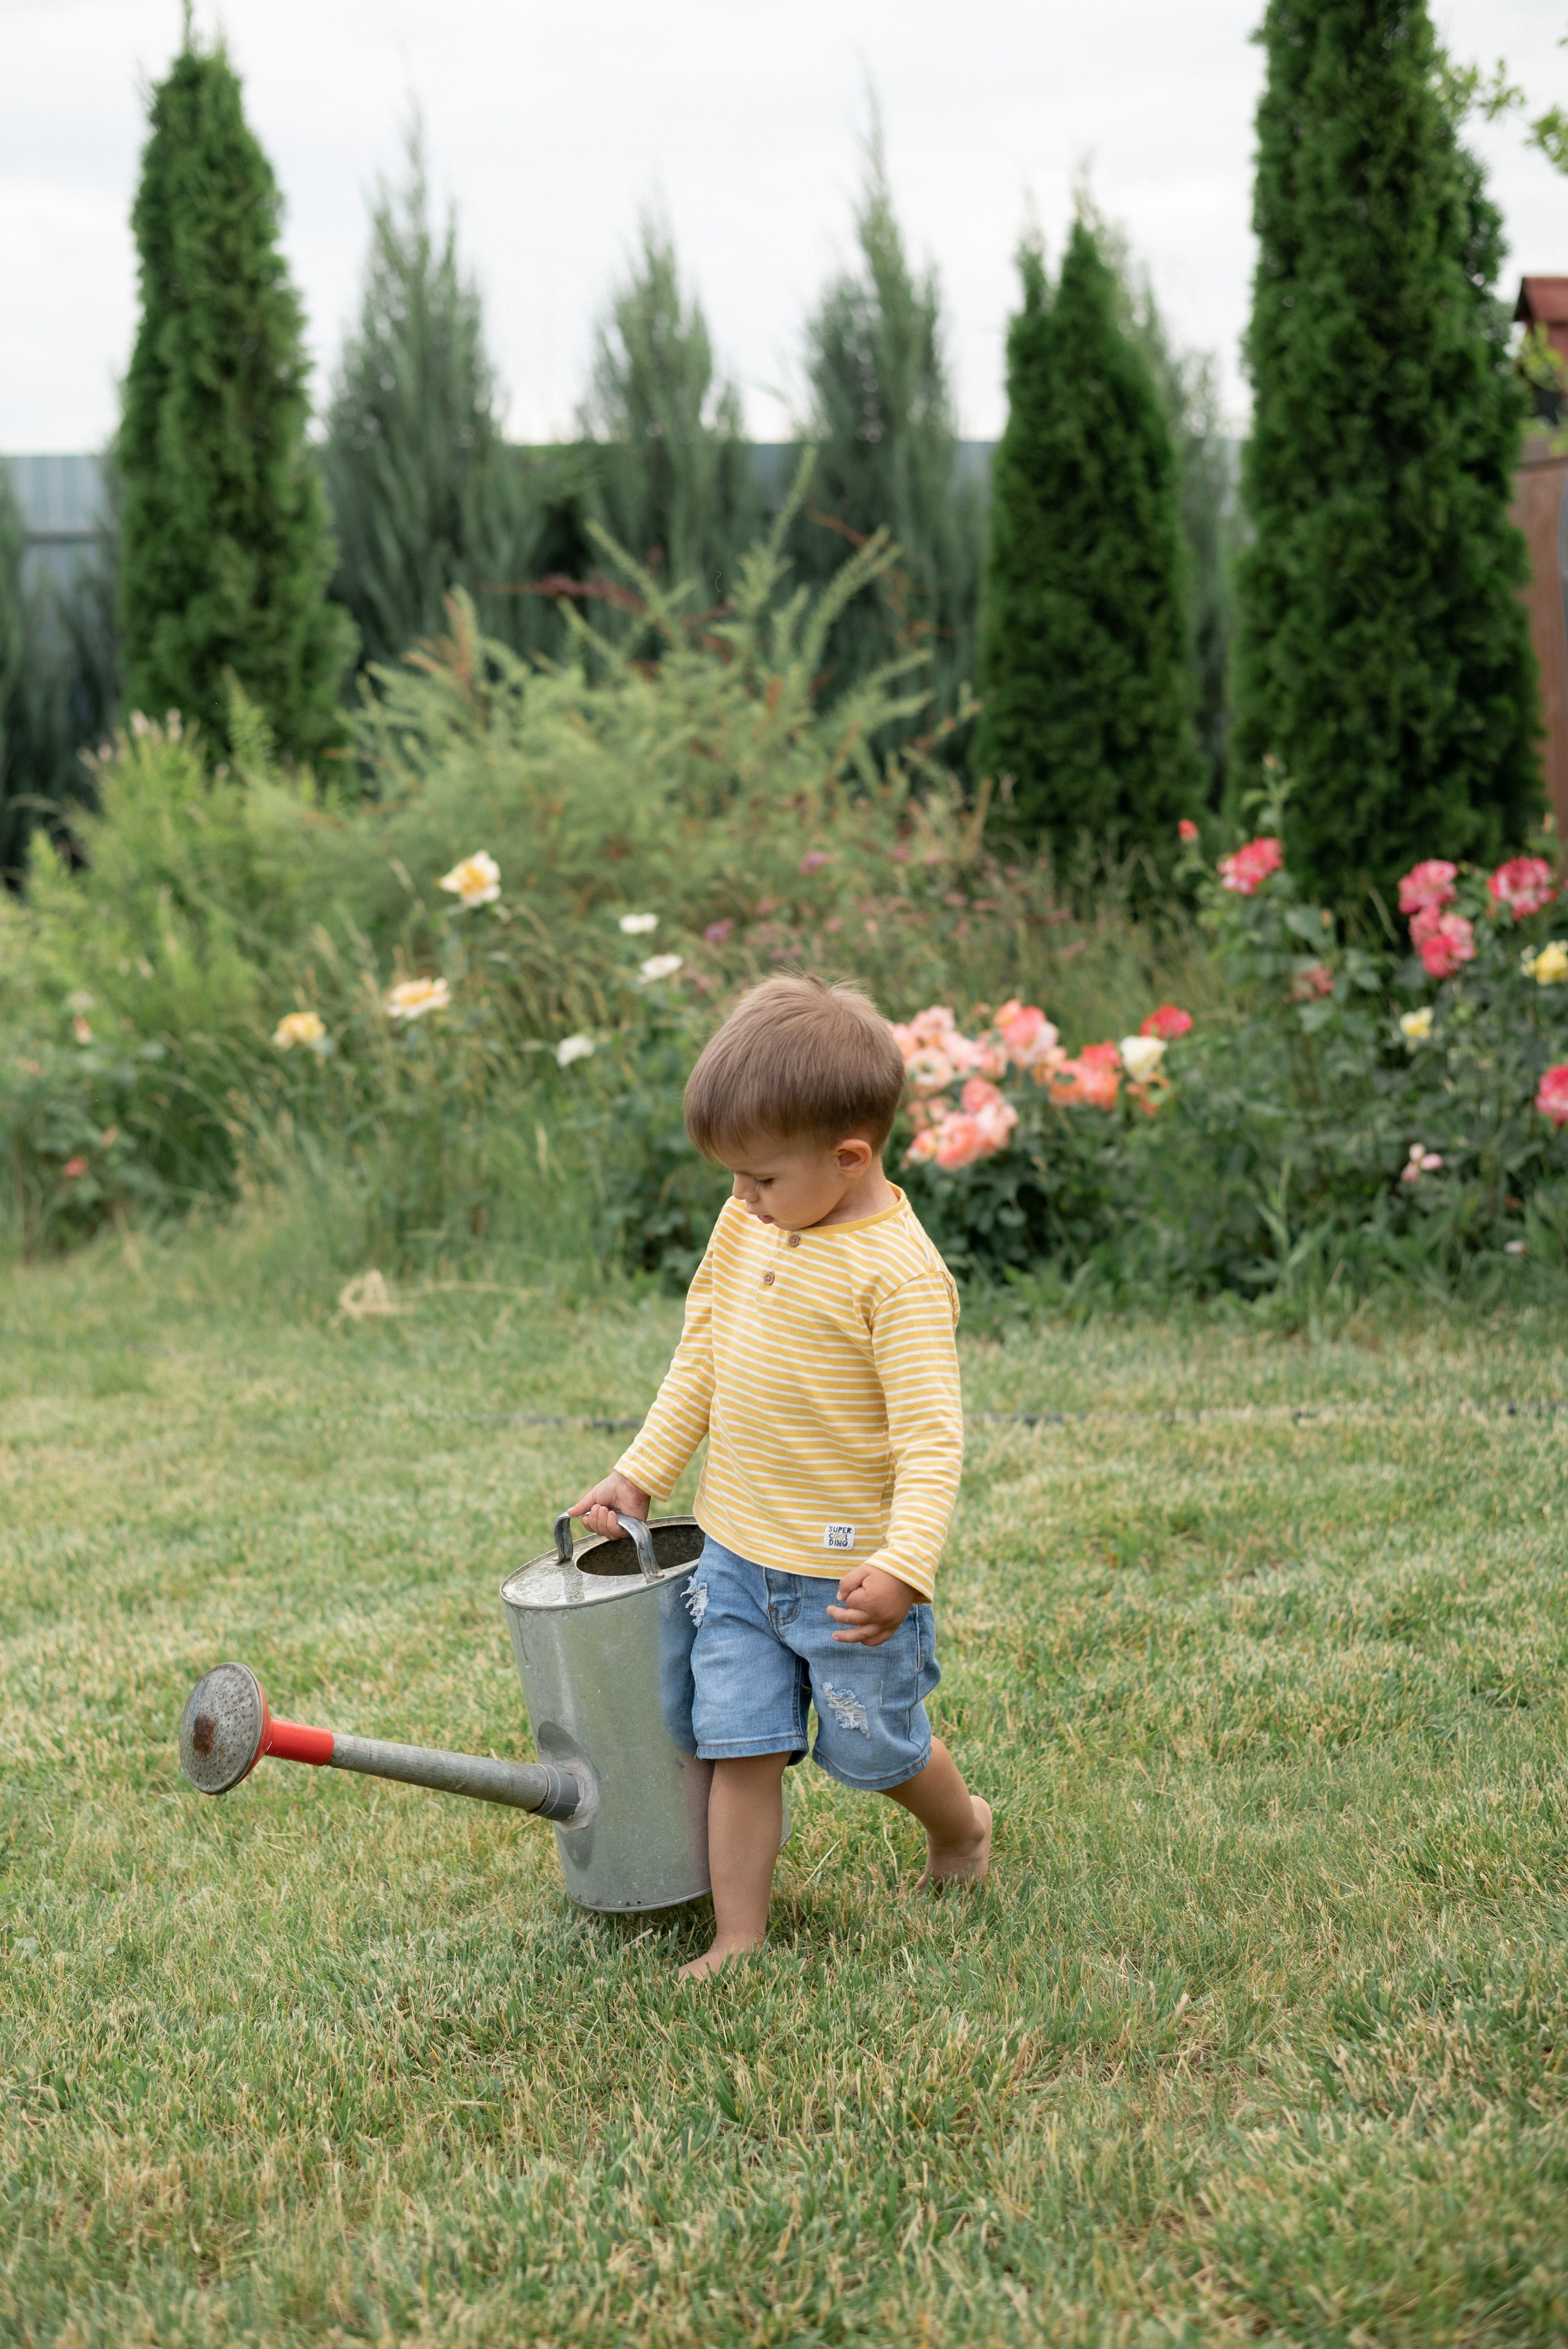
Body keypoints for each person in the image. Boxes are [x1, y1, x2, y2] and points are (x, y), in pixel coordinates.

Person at [570, 972, 990, 1978]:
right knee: (736, 1745)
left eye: (761, 1179)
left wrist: (907, 1566)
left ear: (850, 1160)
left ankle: (963, 1826)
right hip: (736, 1559)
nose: (742, 1200)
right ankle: (739, 1936)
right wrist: (642, 1473)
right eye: (733, 1180)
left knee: (875, 1753)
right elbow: (702, 1356)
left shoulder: (897, 1277)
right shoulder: (747, 1229)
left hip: (847, 1584)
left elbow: (933, 1442)